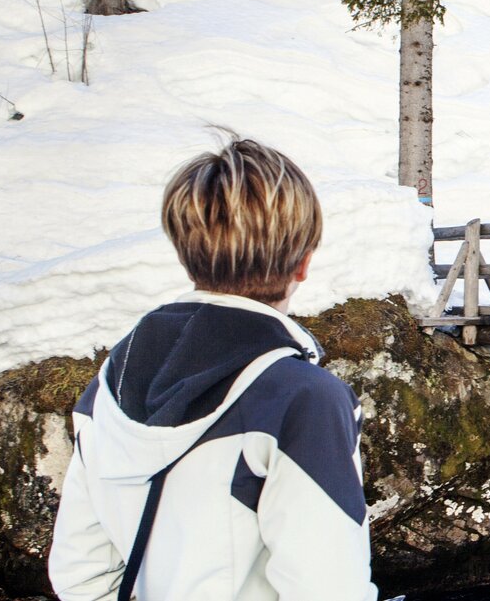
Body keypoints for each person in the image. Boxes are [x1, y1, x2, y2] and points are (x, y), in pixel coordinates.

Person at [49, 136, 375, 600]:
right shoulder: (303, 399)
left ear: (187, 256)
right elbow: (327, 589)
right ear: (303, 264)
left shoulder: (108, 386)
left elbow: (82, 576)